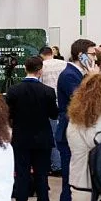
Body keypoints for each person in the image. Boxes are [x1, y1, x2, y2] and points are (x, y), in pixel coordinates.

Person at [49, 39, 98, 201]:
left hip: (78, 133)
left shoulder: (78, 74)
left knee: (75, 181)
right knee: (71, 185)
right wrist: (92, 78)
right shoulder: (70, 75)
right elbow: (82, 102)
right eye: (92, 54)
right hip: (70, 135)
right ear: (81, 55)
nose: (95, 58)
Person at [5, 56, 58, 201]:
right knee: (42, 176)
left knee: (22, 175)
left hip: (21, 138)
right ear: (40, 70)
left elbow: (8, 114)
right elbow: (54, 114)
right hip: (42, 139)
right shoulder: (48, 91)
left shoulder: (14, 91)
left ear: (25, 68)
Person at [40, 46, 67, 175]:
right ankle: (63, 163)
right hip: (64, 103)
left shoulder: (42, 66)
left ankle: (56, 165)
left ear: (41, 55)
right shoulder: (64, 64)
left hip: (49, 104)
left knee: (52, 135)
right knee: (64, 135)